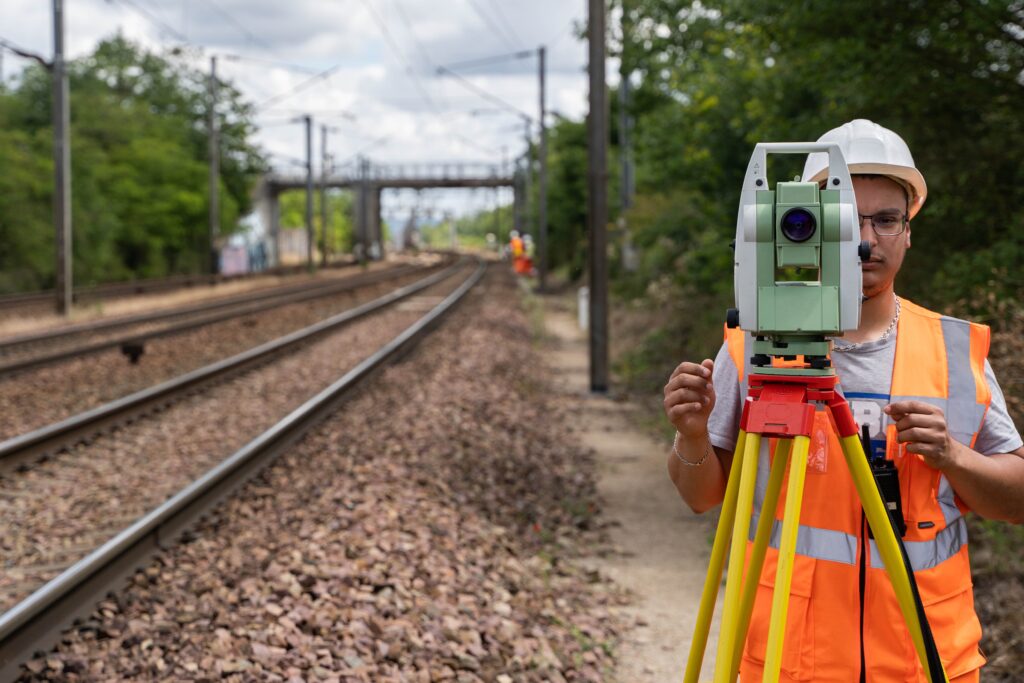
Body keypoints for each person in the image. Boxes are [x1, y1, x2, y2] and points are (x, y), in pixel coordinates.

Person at [663, 119, 1024, 682]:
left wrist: (955, 455)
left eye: (886, 219)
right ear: (805, 228)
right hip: (792, 661)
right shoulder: (752, 347)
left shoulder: (954, 350)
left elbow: (1018, 501)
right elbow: (702, 496)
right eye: (846, 219)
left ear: (910, 231)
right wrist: (690, 435)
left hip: (923, 662)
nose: (867, 238)